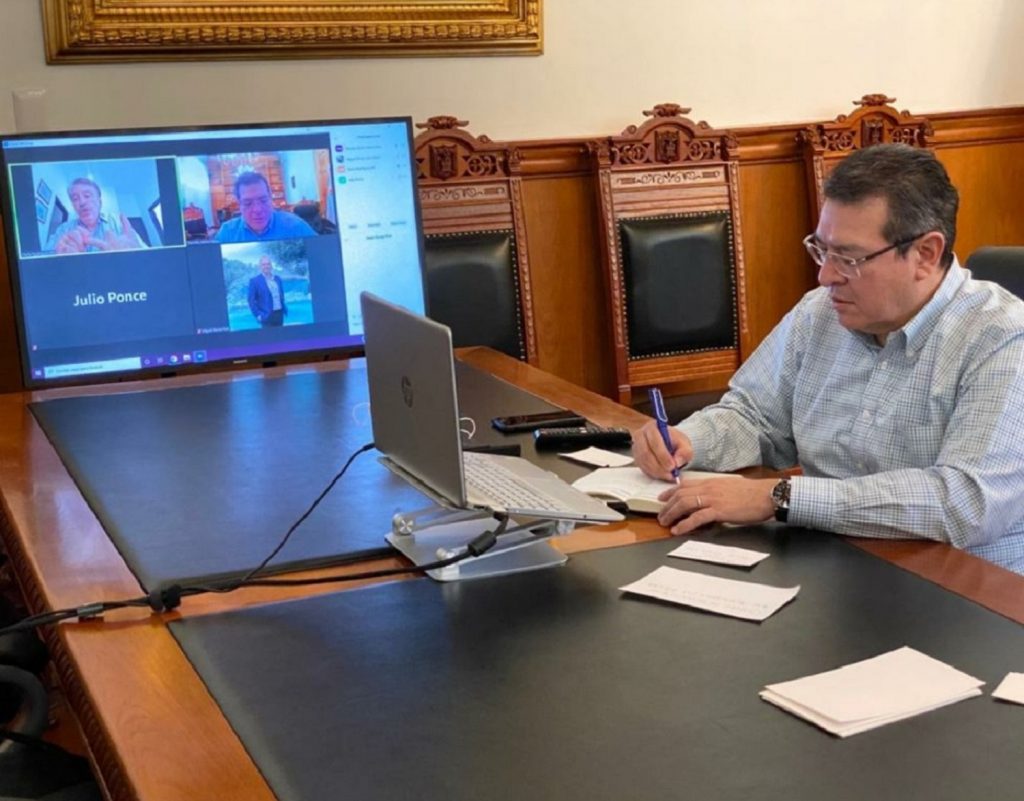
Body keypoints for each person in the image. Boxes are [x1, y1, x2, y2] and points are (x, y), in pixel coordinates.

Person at [631, 143, 1024, 574]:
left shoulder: (1004, 339)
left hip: (967, 590)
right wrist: (690, 441)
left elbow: (965, 502)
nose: (826, 275)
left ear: (926, 254)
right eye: (822, 250)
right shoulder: (821, 312)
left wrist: (779, 496)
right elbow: (756, 417)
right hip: (836, 562)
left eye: (849, 258)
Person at [45, 177, 146, 254]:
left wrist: (134, 256)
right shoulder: (63, 229)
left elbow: (149, 256)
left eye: (87, 196)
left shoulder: (117, 223)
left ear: (99, 202)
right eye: (75, 199)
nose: (82, 202)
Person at [215, 172, 316, 243]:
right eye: (248, 203)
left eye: (263, 200)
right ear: (239, 204)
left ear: (270, 197)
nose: (257, 209)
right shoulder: (227, 233)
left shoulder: (296, 226)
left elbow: (322, 256)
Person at [247, 255, 287, 327]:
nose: (266, 266)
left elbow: (281, 295)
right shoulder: (254, 281)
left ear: (271, 265)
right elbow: (251, 301)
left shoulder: (278, 279)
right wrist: (258, 315)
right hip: (266, 316)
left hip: (279, 314)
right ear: (260, 266)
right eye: (264, 264)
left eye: (268, 264)